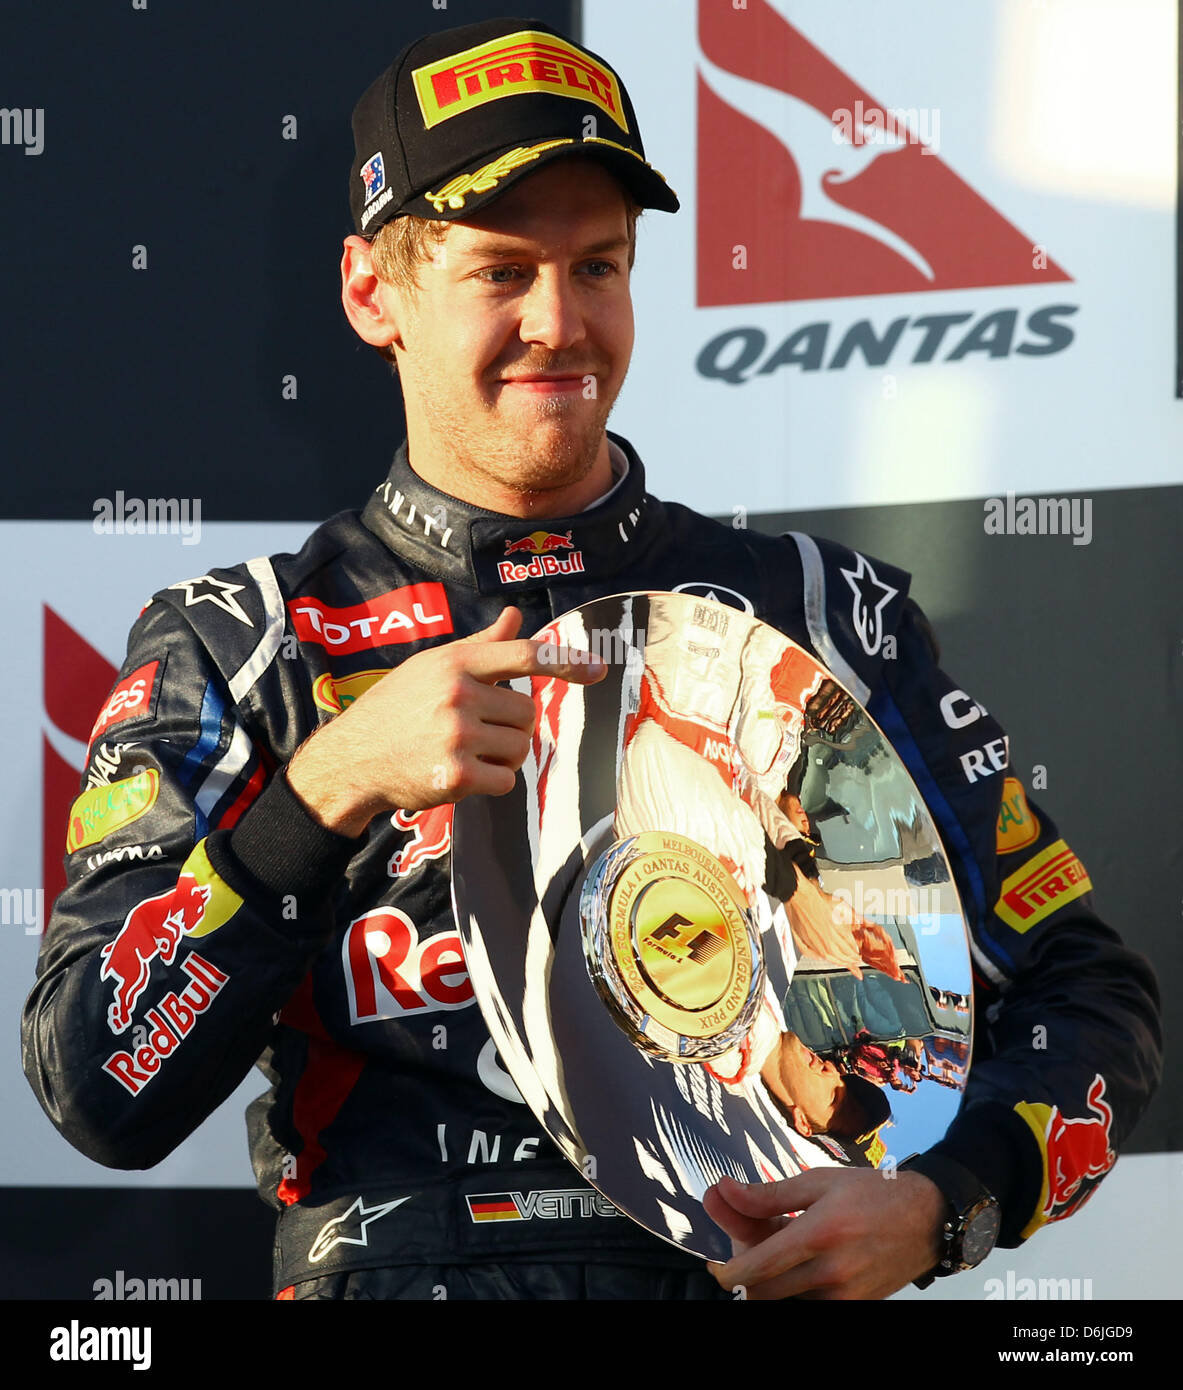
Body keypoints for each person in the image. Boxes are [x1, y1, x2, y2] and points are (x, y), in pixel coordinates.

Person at [23, 17, 1160, 1301]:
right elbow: (96, 1084)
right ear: (370, 294)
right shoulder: (247, 640)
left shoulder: (816, 611)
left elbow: (1090, 991)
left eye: (599, 266)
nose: (559, 324)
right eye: (501, 272)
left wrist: (943, 1205)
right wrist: (324, 789)